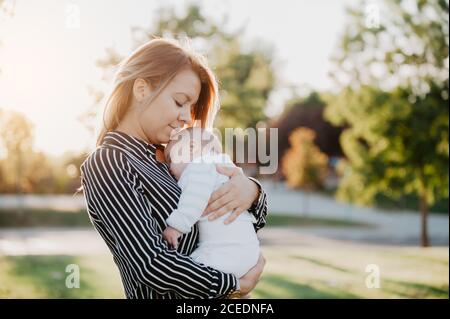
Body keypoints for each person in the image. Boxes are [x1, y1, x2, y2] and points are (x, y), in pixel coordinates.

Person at [80, 37, 268, 299]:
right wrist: (233, 284)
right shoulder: (110, 162)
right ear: (142, 89)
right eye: (180, 102)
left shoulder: (172, 160)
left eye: (192, 108)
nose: (187, 117)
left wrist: (252, 192)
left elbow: (228, 226)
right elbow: (151, 264)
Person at [162, 127, 260, 278]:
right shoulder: (221, 165)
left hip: (223, 251)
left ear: (191, 147)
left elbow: (193, 201)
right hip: (246, 250)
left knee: (190, 274)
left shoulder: (199, 165)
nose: (169, 168)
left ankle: (235, 289)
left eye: (170, 159)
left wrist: (176, 227)